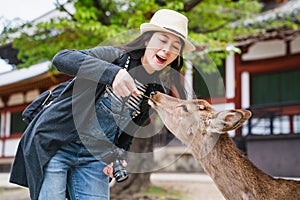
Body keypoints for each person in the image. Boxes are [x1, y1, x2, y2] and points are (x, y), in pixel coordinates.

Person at [9, 9, 195, 200]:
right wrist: (112, 73)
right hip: (55, 144)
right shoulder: (113, 56)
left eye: (175, 46)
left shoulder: (155, 90)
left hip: (95, 158)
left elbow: (129, 132)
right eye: (162, 40)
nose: (167, 50)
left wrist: (118, 158)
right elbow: (62, 59)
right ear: (147, 40)